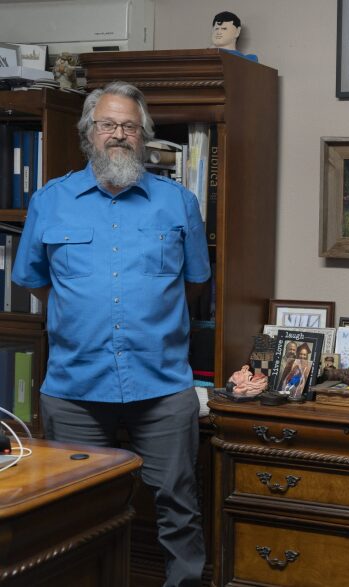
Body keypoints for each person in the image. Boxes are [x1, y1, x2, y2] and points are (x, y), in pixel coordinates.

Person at [12, 81, 211, 586]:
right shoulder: (50, 202)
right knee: (71, 513)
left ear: (143, 136)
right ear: (88, 134)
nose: (118, 135)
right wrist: (84, 317)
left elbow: (193, 283)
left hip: (162, 386)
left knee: (178, 505)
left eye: (129, 126)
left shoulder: (179, 203)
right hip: (76, 388)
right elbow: (37, 283)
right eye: (108, 125)